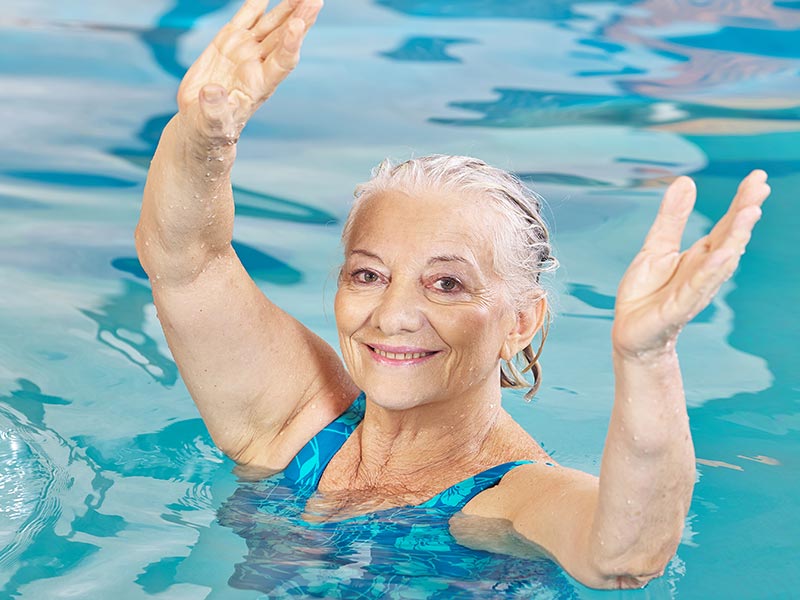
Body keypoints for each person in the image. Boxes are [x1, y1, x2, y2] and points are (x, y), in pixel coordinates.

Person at [135, 0, 770, 590]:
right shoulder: (294, 425)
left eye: (447, 283)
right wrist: (203, 135)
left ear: (521, 321)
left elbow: (625, 556)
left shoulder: (509, 500)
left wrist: (648, 357)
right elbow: (185, 261)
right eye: (368, 275)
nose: (394, 315)